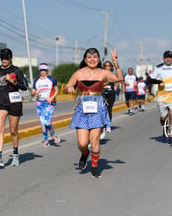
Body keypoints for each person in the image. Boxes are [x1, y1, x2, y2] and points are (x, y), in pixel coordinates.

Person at [65, 47, 122, 178]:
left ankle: (94, 167)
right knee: (82, 143)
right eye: (89, 57)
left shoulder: (103, 73)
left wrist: (115, 63)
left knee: (95, 139)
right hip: (82, 109)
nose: (92, 59)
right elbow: (68, 87)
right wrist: (70, 89)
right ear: (85, 59)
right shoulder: (78, 73)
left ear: (98, 59)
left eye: (95, 57)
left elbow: (119, 79)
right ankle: (85, 154)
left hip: (98, 108)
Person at [0, 48, 28, 168]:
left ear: (11, 58)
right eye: (2, 58)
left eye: (7, 58)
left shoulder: (16, 70)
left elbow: (24, 86)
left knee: (13, 131)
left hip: (14, 103)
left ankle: (15, 154)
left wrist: (13, 81)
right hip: (1, 102)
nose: (4, 60)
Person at [149, 50, 172, 146]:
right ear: (163, 58)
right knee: (163, 118)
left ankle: (171, 136)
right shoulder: (159, 68)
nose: (168, 59)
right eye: (166, 57)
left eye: (170, 57)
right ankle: (164, 126)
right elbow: (150, 79)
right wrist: (158, 82)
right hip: (162, 97)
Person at [31, 63, 60, 147]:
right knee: (42, 122)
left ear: (47, 70)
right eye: (41, 70)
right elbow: (32, 93)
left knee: (47, 122)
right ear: (39, 71)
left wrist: (52, 97)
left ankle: (53, 135)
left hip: (49, 103)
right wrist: (34, 92)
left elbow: (57, 90)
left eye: (44, 70)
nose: (42, 71)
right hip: (39, 103)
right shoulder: (36, 80)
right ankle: (46, 140)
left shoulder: (51, 79)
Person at [101, 60, 117, 137]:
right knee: (103, 109)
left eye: (109, 66)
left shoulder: (113, 74)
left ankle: (108, 125)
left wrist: (116, 86)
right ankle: (103, 124)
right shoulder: (101, 74)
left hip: (111, 93)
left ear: (111, 67)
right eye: (106, 66)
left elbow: (117, 80)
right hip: (103, 92)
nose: (107, 67)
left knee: (109, 109)